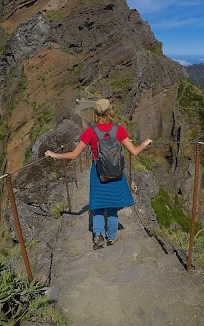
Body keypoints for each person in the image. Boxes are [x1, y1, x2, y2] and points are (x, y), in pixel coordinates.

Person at [45, 99, 152, 250]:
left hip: (98, 173)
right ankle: (112, 236)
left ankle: (98, 236)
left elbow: (75, 155)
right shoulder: (119, 130)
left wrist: (55, 155)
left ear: (95, 113)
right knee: (113, 206)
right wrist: (145, 143)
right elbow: (134, 152)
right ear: (110, 111)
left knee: (98, 206)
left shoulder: (90, 132)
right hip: (116, 173)